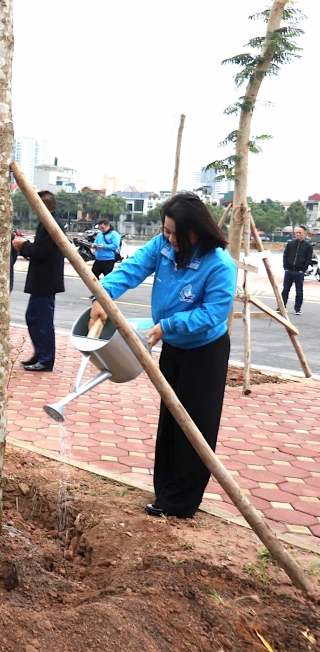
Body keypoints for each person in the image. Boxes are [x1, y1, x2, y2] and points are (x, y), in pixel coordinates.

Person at [90, 192, 236, 519]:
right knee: (170, 420)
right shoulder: (163, 246)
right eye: (165, 231)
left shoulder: (220, 265)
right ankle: (165, 491)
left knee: (194, 426)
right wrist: (102, 294)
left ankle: (182, 502)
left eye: (174, 233)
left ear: (195, 231)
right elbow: (132, 269)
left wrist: (166, 325)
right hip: (172, 346)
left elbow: (212, 315)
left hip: (204, 354)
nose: (167, 238)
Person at [12, 191, 64, 372]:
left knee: (43, 320)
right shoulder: (49, 222)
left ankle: (46, 358)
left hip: (46, 280)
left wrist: (23, 246)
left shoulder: (50, 224)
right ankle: (40, 353)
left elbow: (40, 252)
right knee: (33, 317)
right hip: (42, 281)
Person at [281, 226, 312, 316]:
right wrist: (285, 268)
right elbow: (285, 256)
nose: (298, 234)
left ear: (304, 234)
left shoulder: (308, 246)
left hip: (299, 272)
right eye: (297, 232)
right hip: (289, 271)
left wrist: (303, 270)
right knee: (285, 290)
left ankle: (297, 308)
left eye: (300, 233)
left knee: (299, 291)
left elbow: (308, 259)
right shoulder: (290, 244)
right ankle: (282, 307)